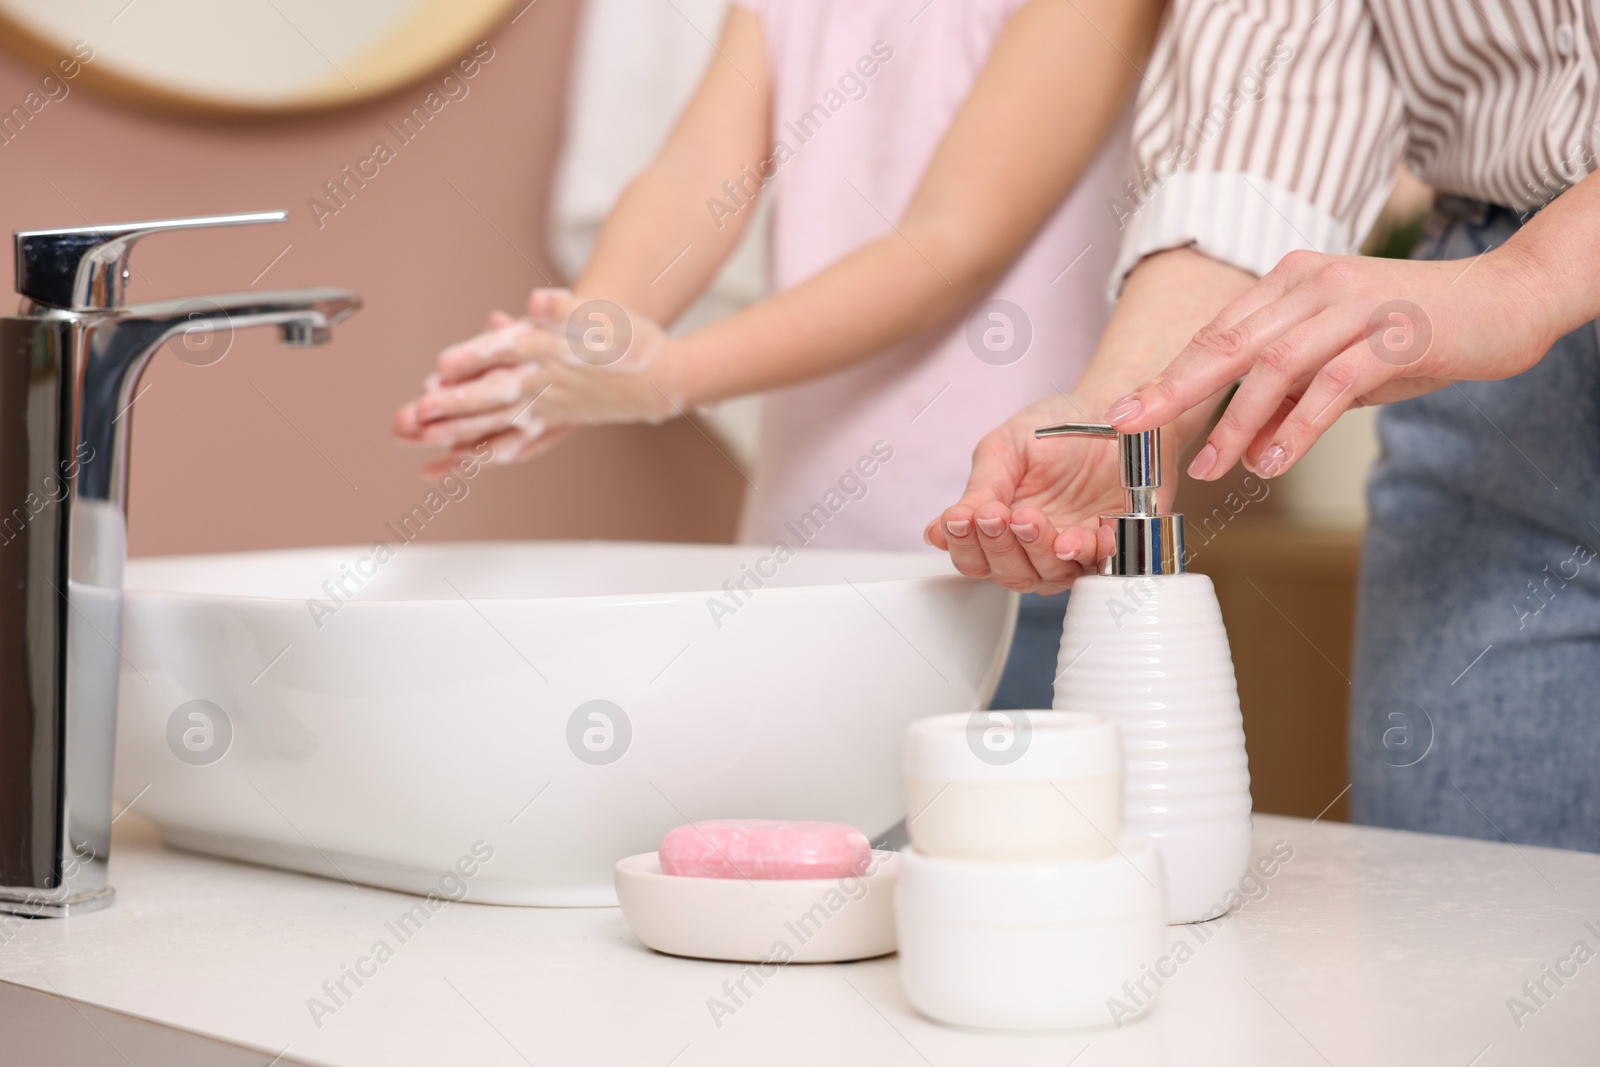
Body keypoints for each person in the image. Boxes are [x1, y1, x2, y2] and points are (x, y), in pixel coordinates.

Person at [933, 1, 1600, 852]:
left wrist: (1537, 278)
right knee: (1470, 922)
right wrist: (1123, 414)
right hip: (1482, 333)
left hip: (1497, 290)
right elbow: (1264, 119)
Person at [394, 0, 1162, 709]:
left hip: (1019, 557)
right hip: (798, 562)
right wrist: (585, 343)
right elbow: (695, 175)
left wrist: (669, 377)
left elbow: (950, 243)